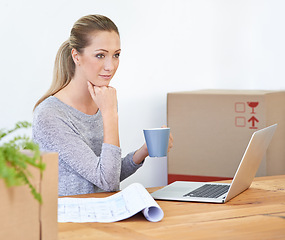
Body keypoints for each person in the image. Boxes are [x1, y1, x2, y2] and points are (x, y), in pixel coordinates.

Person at [32, 14, 173, 196]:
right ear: (76, 56)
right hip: (70, 220)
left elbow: (106, 173)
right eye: (100, 55)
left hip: (105, 213)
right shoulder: (50, 114)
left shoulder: (103, 101)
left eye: (116, 55)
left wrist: (142, 152)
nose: (110, 66)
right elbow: (107, 181)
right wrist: (110, 114)